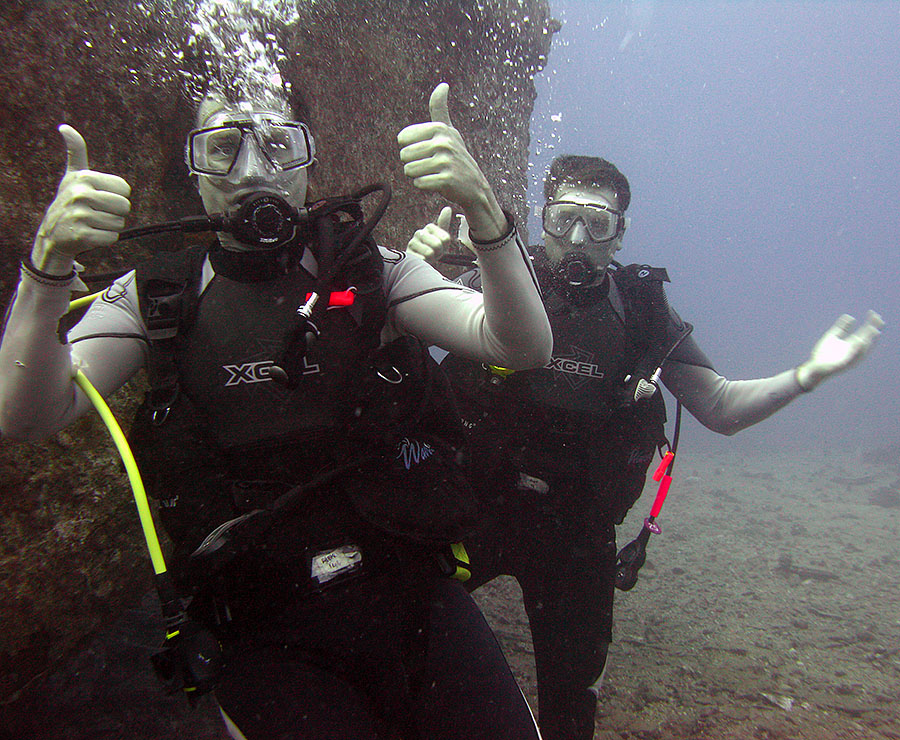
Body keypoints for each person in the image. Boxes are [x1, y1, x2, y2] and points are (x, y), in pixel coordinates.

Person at [0, 83, 552, 739]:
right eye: (223, 148)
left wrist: (483, 210)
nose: (252, 170)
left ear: (308, 165)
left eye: (278, 145)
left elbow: (518, 346)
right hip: (261, 629)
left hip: (410, 598)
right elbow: (27, 416)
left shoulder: (370, 270)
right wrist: (47, 266)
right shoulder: (155, 299)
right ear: (192, 168)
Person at [407, 153, 883, 740]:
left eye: (598, 224)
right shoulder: (493, 277)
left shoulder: (639, 310)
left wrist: (805, 376)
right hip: (471, 509)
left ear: (620, 233)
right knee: (407, 650)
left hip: (576, 534)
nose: (578, 239)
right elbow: (393, 351)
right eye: (563, 220)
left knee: (571, 706)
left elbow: (720, 407)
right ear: (541, 221)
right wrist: (413, 267)